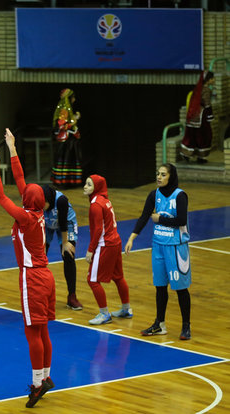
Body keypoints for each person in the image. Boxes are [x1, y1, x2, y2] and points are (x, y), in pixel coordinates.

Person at [0, 128, 55, 409]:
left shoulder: (25, 218)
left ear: (27, 199)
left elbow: (1, 197)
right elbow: (23, 180)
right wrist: (12, 148)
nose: (23, 189)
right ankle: (46, 377)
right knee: (43, 330)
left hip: (32, 278)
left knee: (32, 332)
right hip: (46, 277)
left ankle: (38, 384)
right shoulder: (37, 212)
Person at [124, 164, 192, 340]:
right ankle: (159, 324)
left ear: (171, 177)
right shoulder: (154, 194)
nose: (159, 177)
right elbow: (144, 216)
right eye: (158, 174)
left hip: (176, 247)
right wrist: (132, 238)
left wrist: (160, 219)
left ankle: (186, 326)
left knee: (180, 288)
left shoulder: (180, 196)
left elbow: (181, 220)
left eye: (163, 174)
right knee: (160, 286)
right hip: (158, 247)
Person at [84, 175, 132, 325]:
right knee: (118, 277)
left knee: (92, 280)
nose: (85, 186)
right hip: (115, 241)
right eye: (86, 184)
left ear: (96, 188)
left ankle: (104, 314)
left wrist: (90, 249)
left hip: (105, 245)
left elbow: (98, 229)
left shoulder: (96, 205)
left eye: (89, 185)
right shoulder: (105, 200)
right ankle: (126, 309)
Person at [41, 184, 83, 310]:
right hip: (47, 224)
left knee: (68, 255)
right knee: (40, 258)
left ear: (48, 200)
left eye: (43, 204)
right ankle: (41, 295)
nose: (41, 207)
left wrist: (65, 243)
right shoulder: (36, 199)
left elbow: (63, 223)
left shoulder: (61, 200)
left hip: (66, 224)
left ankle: (72, 296)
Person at [180, 71, 215, 163]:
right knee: (204, 136)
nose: (213, 80)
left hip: (192, 116)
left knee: (191, 136)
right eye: (212, 78)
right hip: (200, 117)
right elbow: (207, 105)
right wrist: (210, 116)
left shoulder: (197, 88)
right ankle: (200, 157)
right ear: (208, 80)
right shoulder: (206, 90)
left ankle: (186, 154)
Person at [51, 89, 83, 187]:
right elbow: (61, 125)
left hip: (70, 141)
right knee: (65, 159)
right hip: (66, 142)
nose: (74, 99)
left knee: (69, 160)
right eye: (73, 97)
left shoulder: (68, 109)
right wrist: (74, 121)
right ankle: (63, 181)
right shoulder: (64, 110)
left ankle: (69, 181)